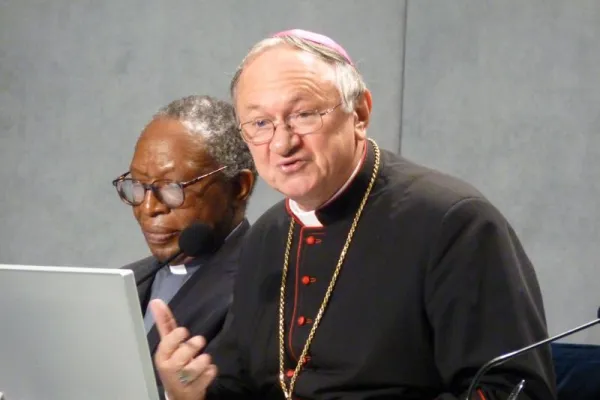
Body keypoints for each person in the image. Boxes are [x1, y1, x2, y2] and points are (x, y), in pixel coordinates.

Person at [150, 30, 557, 400]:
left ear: (359, 113)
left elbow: (513, 391)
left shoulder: (453, 223)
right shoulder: (268, 235)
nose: (282, 142)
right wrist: (189, 389)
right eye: (260, 123)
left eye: (304, 115)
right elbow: (240, 385)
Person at [112, 95, 256, 396]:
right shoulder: (125, 282)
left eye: (171, 189)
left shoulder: (261, 290)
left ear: (239, 187)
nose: (148, 207)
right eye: (137, 186)